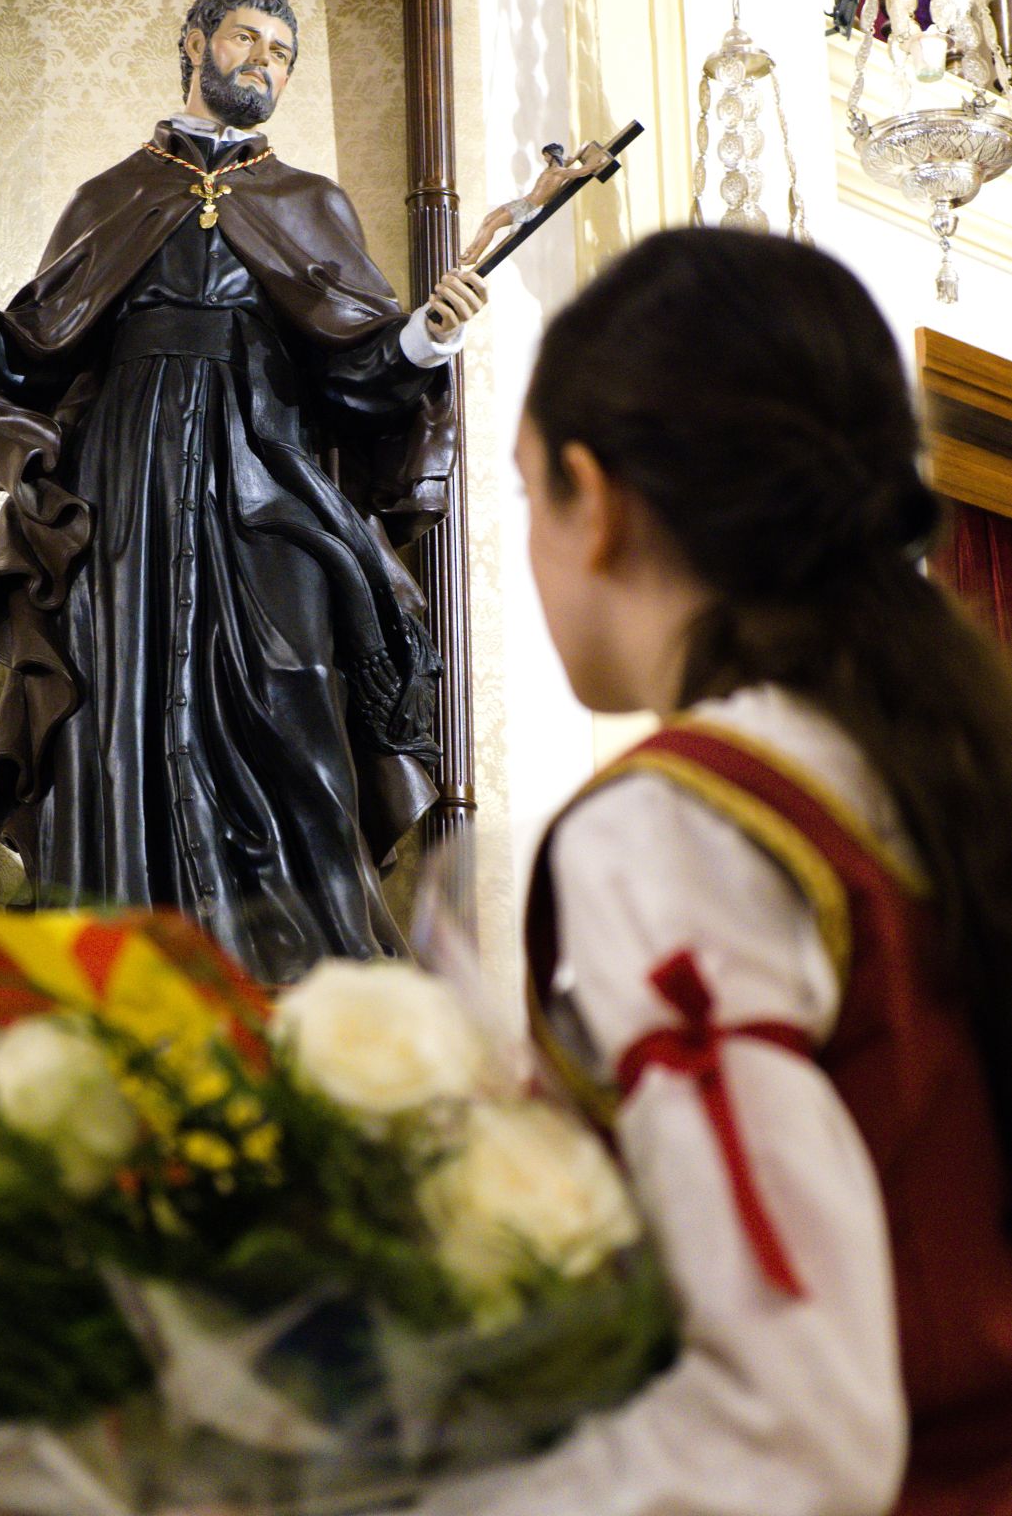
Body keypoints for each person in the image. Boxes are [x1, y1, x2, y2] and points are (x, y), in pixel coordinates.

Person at [416, 226, 1012, 1516]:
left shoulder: (680, 825)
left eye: (526, 493)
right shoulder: (945, 760)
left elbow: (787, 1431)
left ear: (595, 498)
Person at [0, 0, 582, 986]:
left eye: (282, 51)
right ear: (195, 43)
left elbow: (357, 377)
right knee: (117, 720)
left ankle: (317, 989)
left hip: (268, 488)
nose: (264, 60)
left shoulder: (310, 204)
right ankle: (132, 984)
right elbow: (31, 355)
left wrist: (425, 335)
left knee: (296, 705)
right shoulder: (111, 197)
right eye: (246, 38)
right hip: (125, 497)